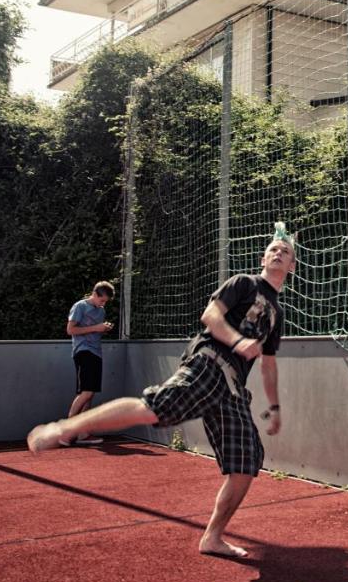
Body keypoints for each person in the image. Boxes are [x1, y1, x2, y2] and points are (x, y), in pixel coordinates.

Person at [29, 225, 296, 559]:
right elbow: (211, 316)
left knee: (247, 462)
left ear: (292, 267)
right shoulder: (244, 282)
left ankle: (212, 538)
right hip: (208, 364)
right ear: (263, 258)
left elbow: (268, 363)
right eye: (272, 249)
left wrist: (275, 406)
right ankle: (65, 427)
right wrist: (238, 341)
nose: (278, 253)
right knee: (154, 408)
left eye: (284, 252)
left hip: (232, 389)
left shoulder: (278, 314)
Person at [65, 281, 116, 446]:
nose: (103, 304)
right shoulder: (80, 306)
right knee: (86, 392)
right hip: (83, 351)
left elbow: (96, 330)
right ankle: (66, 431)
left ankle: (83, 434)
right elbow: (70, 330)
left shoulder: (101, 311)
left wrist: (104, 328)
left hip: (96, 352)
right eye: (102, 300)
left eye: (106, 302)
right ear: (94, 294)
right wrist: (96, 328)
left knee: (90, 393)